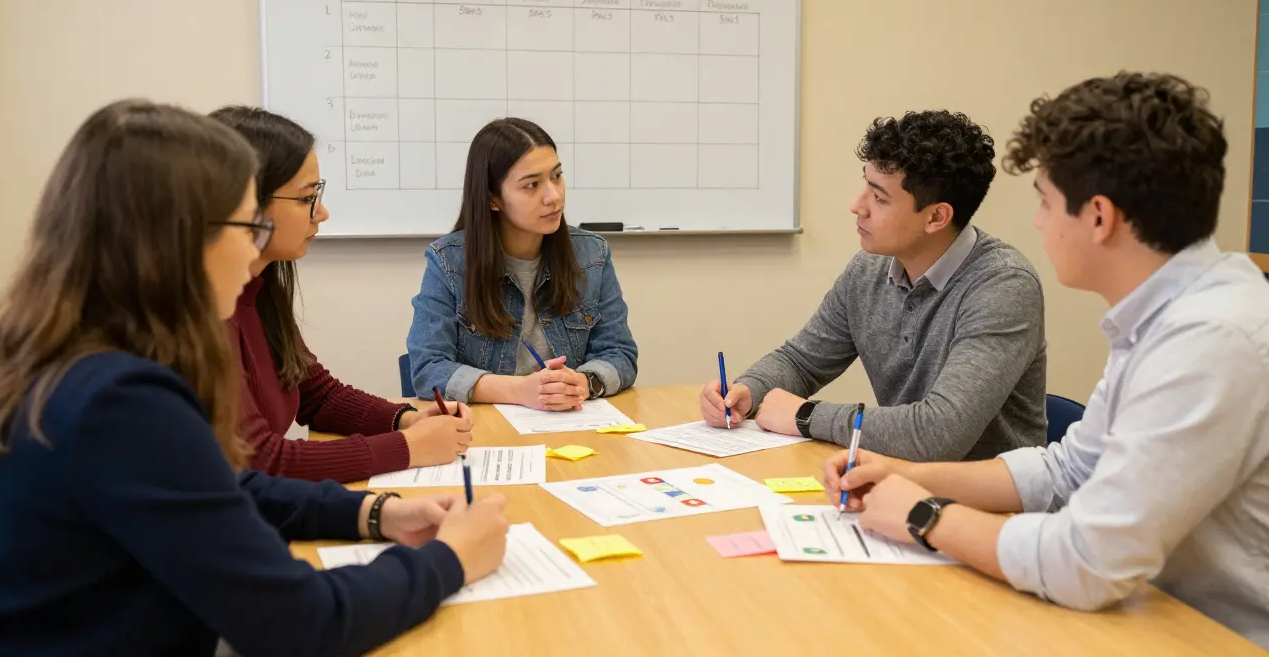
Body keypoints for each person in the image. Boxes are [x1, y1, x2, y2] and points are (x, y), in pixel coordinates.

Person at [0, 100, 508, 656]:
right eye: (247, 224)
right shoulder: (120, 402)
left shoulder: (86, 361)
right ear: (177, 238)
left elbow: (226, 488)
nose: (255, 246)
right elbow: (301, 623)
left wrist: (374, 511)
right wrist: (449, 560)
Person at [823, 73, 1269, 648]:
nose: (1037, 223)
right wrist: (905, 475)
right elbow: (1068, 472)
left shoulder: (1210, 341)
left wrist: (925, 515)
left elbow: (1086, 562)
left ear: (1100, 217)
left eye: (1045, 202)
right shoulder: (1168, 316)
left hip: (1218, 635)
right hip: (1153, 611)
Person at [700, 110, 1046, 461]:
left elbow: (938, 433)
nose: (857, 206)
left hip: (990, 507)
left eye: (879, 198)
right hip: (900, 481)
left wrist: (804, 415)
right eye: (865, 185)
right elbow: (803, 361)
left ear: (936, 217)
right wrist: (748, 390)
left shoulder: (1003, 286)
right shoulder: (870, 268)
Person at [210, 106, 472, 484]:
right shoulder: (208, 312)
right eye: (306, 198)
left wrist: (406, 419)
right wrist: (408, 446)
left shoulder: (258, 290)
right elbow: (260, 461)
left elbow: (318, 395)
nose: (322, 213)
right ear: (246, 204)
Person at [406, 118, 638, 410]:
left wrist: (582, 382)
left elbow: (620, 353)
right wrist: (520, 390)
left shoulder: (592, 254)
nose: (554, 196)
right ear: (493, 199)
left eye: (556, 176)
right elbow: (428, 369)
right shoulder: (448, 262)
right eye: (532, 185)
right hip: (487, 430)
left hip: (571, 426)